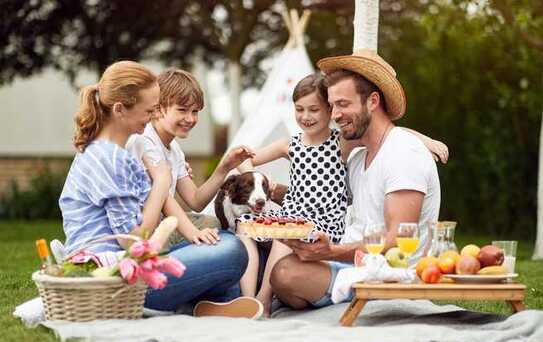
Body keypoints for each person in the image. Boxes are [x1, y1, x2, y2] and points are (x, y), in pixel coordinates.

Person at [59, 61, 261, 318]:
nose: (153, 116)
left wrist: (188, 226)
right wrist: (162, 181)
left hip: (125, 265)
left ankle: (216, 306)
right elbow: (133, 242)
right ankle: (209, 305)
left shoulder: (117, 153)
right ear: (120, 109)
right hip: (110, 281)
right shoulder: (112, 157)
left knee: (222, 243)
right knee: (231, 250)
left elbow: (164, 208)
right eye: (149, 110)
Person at [238, 67, 444, 315]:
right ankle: (247, 299)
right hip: (351, 258)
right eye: (332, 105)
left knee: (284, 272)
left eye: (342, 104)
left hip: (385, 273)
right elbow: (322, 190)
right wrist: (273, 191)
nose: (335, 115)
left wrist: (332, 252)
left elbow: (397, 240)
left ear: (373, 101)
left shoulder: (403, 153)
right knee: (252, 252)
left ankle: (263, 301)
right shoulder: (357, 157)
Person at [126, 68, 232, 248]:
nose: (190, 119)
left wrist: (224, 168)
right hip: (138, 229)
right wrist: (194, 234)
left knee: (211, 223)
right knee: (211, 238)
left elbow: (196, 201)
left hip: (159, 224)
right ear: (158, 109)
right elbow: (164, 200)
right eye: (182, 110)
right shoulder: (144, 141)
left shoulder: (174, 149)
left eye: (195, 111)